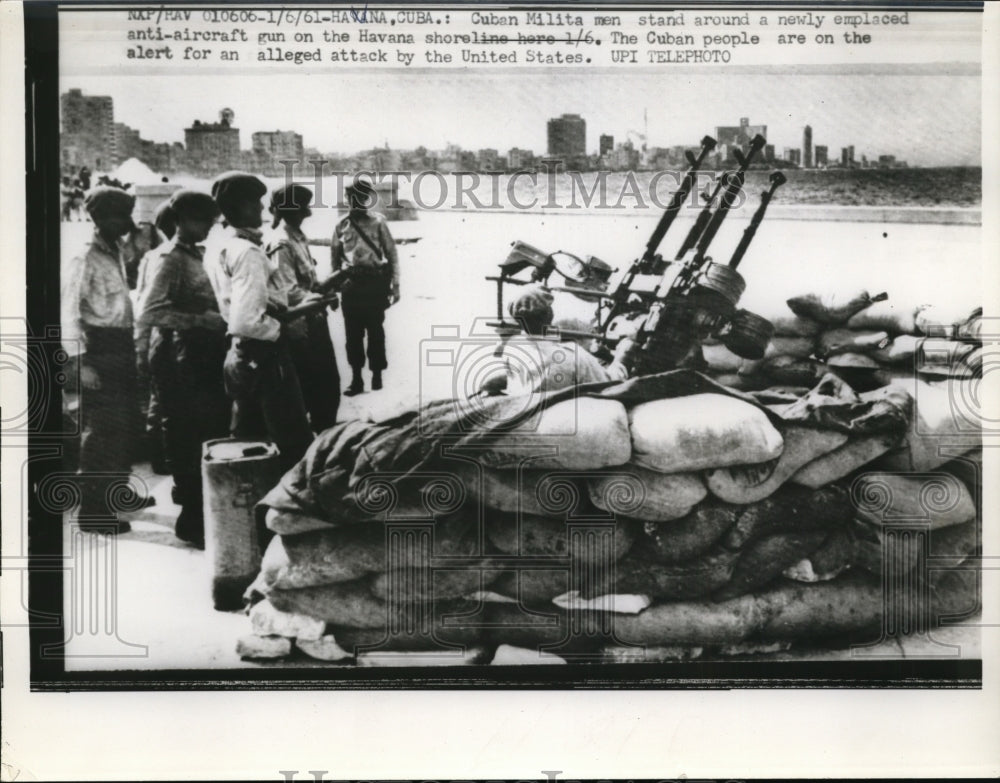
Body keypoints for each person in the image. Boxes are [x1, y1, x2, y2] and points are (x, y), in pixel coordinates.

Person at [137, 190, 229, 548]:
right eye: (201, 220)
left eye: (210, 220)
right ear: (180, 220)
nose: (208, 227)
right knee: (186, 434)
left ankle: (199, 510)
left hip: (197, 355)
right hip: (178, 356)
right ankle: (191, 519)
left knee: (206, 430)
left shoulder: (196, 254)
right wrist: (200, 320)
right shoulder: (170, 259)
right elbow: (149, 311)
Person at [204, 172, 313, 471]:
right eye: (254, 203)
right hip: (264, 355)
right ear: (239, 207)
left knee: (248, 444)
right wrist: (285, 327)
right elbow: (248, 322)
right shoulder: (248, 252)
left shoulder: (221, 246)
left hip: (239, 355)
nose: (262, 209)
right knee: (292, 444)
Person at [61, 186, 151, 533]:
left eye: (127, 215)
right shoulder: (84, 257)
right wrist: (80, 363)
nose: (126, 223)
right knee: (101, 433)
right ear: (99, 217)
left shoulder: (113, 250)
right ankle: (94, 512)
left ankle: (118, 493)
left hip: (121, 344)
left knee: (125, 425)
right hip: (97, 349)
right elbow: (68, 314)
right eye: (119, 216)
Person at [266, 183, 341, 432]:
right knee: (315, 391)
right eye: (304, 208)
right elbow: (288, 292)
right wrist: (320, 297)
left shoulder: (298, 238)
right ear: (292, 210)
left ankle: (324, 436)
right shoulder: (282, 244)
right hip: (301, 327)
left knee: (328, 388)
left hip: (315, 321)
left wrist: (328, 288)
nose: (308, 213)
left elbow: (307, 283)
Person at [484, 284, 632, 397]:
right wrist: (622, 358)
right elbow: (610, 385)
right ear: (549, 315)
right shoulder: (573, 356)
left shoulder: (511, 348)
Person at [330, 176, 399, 396]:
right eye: (351, 197)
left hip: (375, 285)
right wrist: (333, 289)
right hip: (351, 286)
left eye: (360, 197)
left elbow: (392, 254)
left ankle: (377, 375)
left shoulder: (378, 222)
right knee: (353, 335)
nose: (355, 201)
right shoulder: (341, 225)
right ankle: (356, 379)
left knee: (376, 331)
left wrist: (396, 285)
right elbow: (335, 259)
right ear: (347, 198)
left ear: (367, 199)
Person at [133, 199, 179, 475]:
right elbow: (146, 307)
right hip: (167, 336)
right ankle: (163, 457)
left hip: (158, 337)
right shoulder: (164, 257)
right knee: (164, 401)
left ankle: (162, 457)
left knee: (160, 399)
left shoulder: (153, 257)